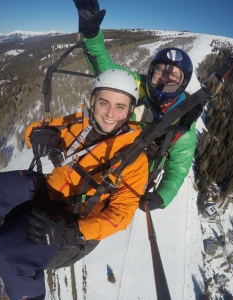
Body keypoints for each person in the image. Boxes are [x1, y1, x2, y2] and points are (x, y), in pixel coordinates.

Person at [0, 69, 148, 300]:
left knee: (8, 254)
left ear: (130, 111)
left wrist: (76, 231)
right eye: (104, 103)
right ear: (93, 101)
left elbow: (121, 215)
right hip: (48, 190)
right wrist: (39, 134)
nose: (110, 114)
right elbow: (39, 129)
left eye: (120, 106)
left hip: (71, 220)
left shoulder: (134, 158)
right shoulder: (80, 124)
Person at [73, 0, 197, 212]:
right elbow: (106, 69)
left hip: (133, 178)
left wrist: (162, 196)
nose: (166, 77)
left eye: (174, 74)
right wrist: (92, 34)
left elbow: (178, 167)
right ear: (151, 72)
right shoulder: (136, 84)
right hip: (104, 155)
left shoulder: (183, 118)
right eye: (161, 70)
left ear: (183, 82)